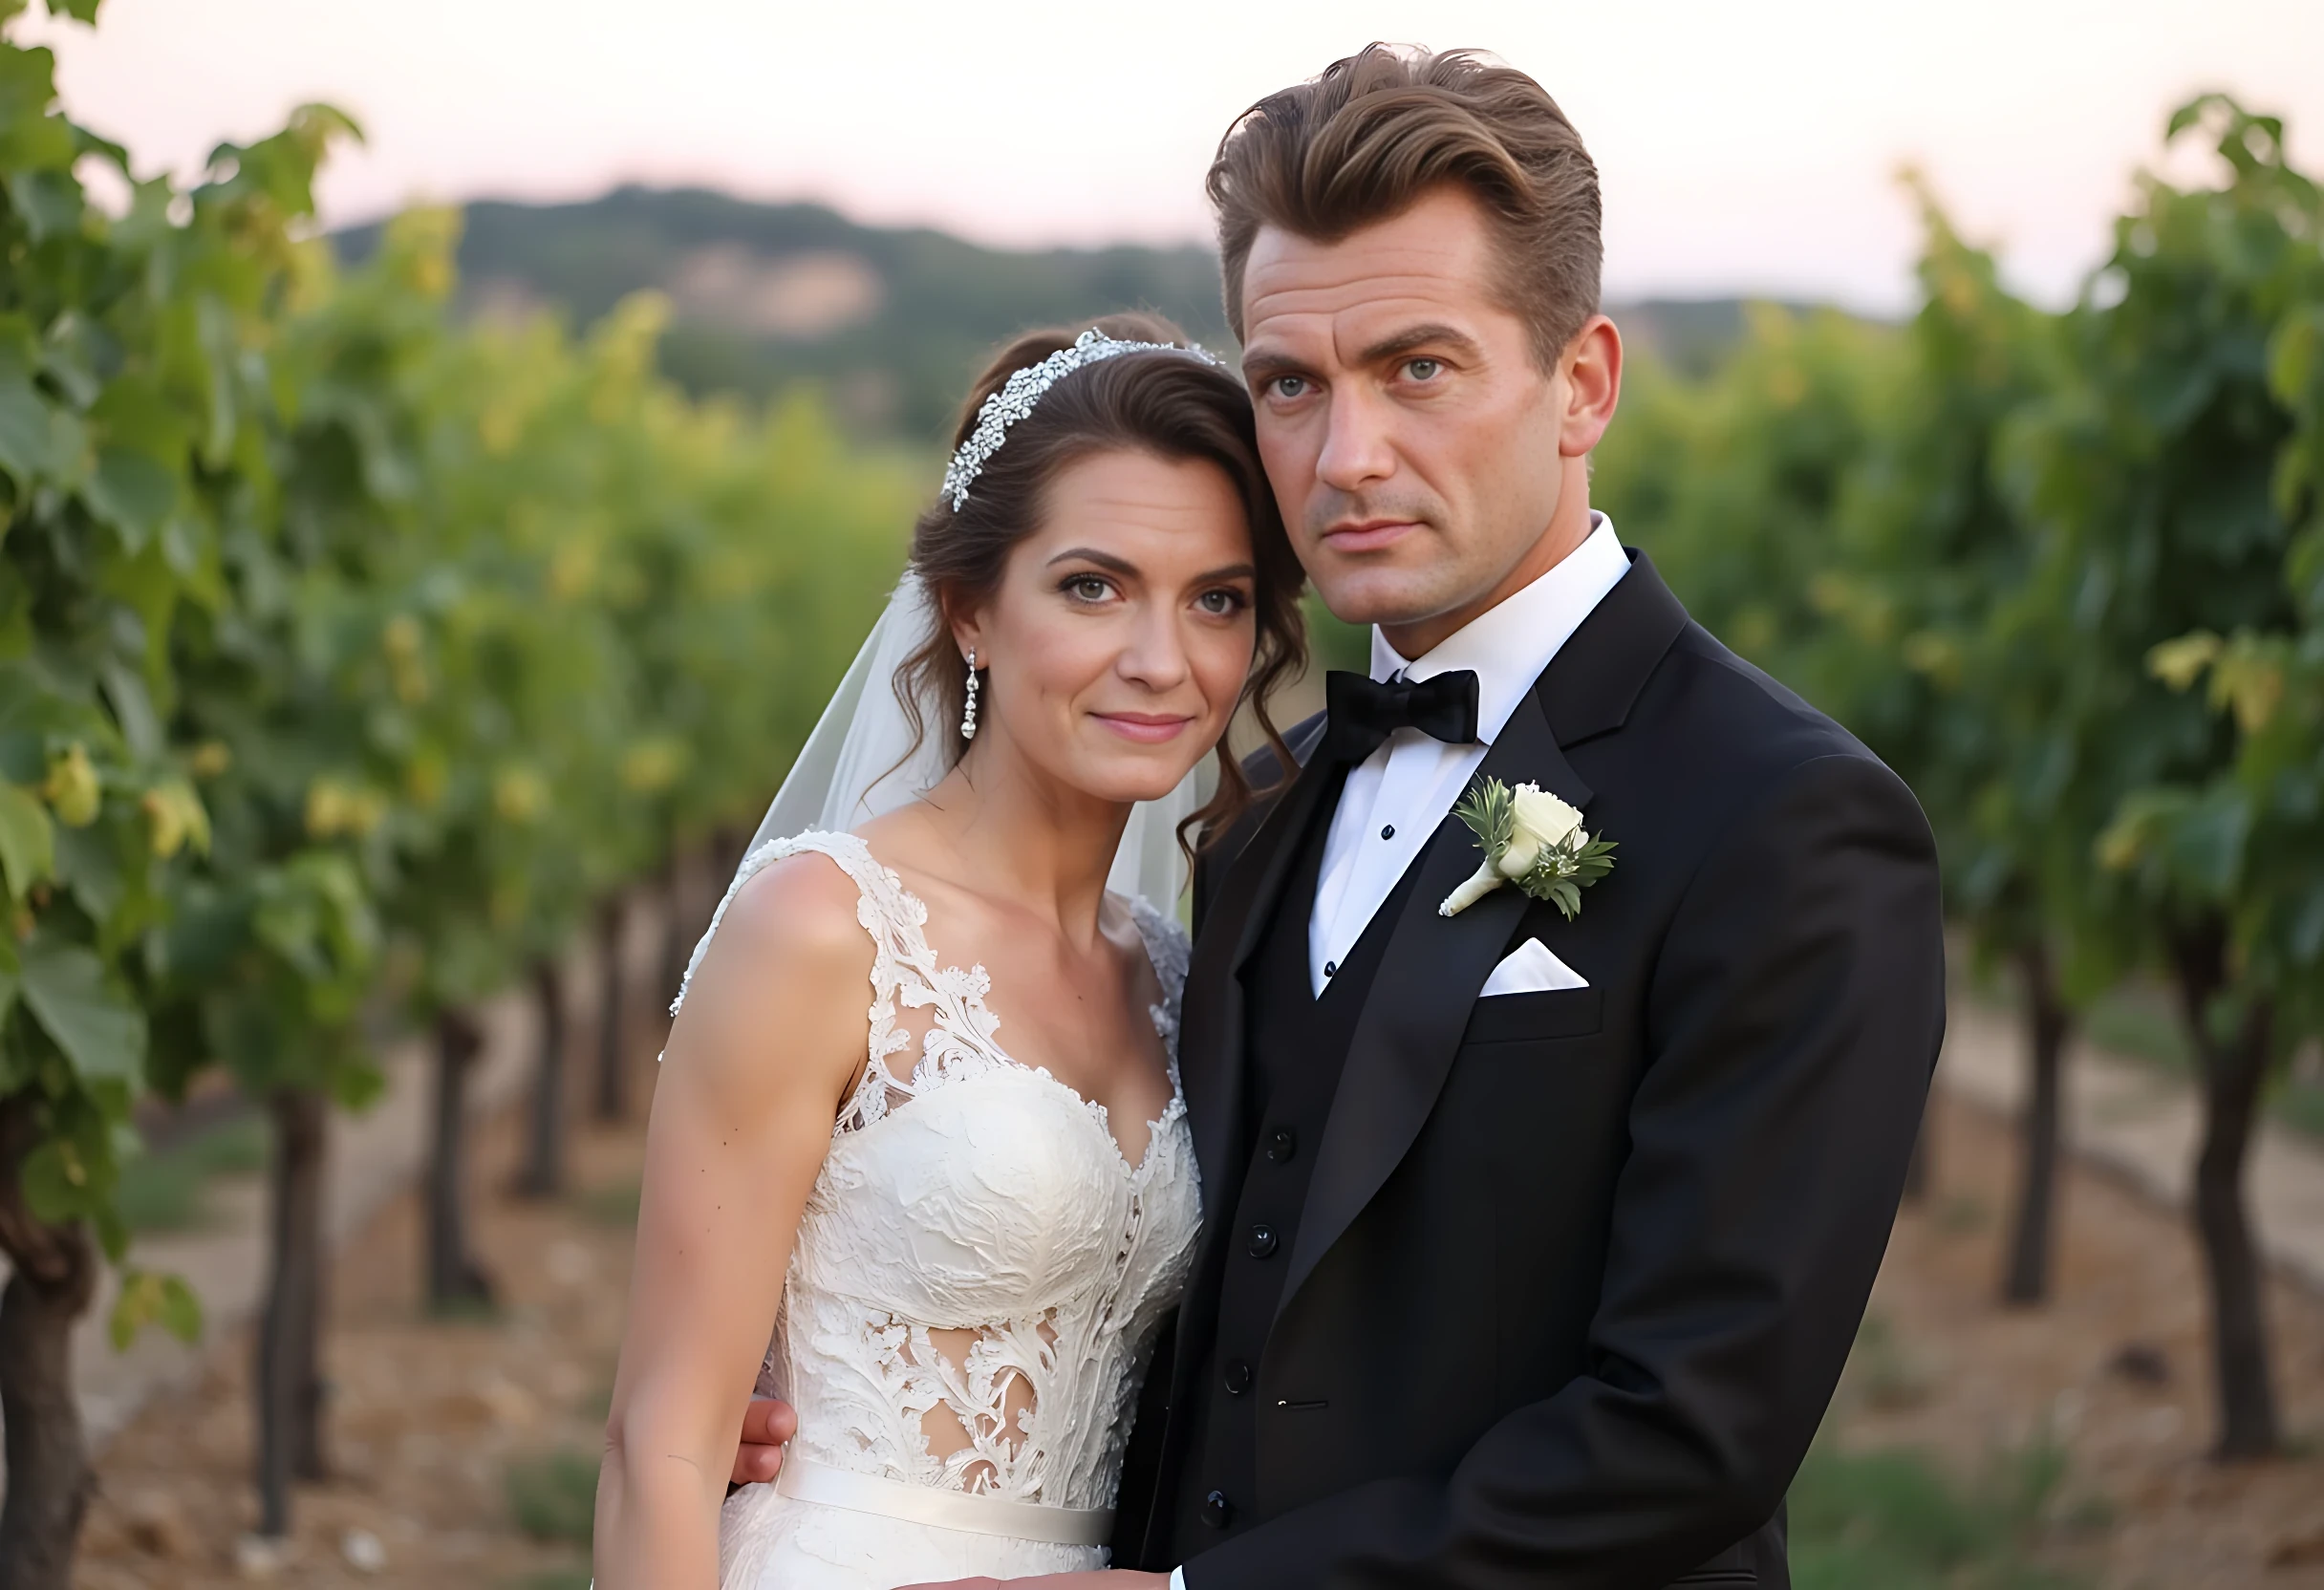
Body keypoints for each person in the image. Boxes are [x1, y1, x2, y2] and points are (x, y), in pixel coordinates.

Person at [734, 44, 1947, 1590]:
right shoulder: (1262, 806)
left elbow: (1688, 1432)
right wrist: (834, 1432)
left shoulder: (1789, 820)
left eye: (1417, 369)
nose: (1345, 455)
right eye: (1291, 385)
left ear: (1582, 384)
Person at [592, 313, 1308, 1590]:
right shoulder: (822, 930)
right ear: (973, 611)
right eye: (1093, 586)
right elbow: (661, 1441)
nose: (1161, 661)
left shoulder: (1177, 973)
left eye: (1217, 600)